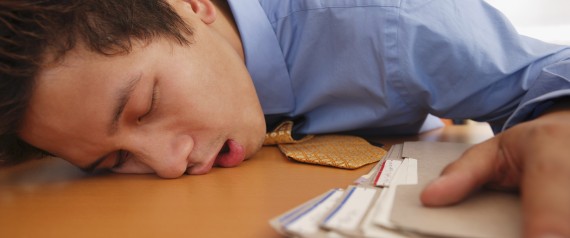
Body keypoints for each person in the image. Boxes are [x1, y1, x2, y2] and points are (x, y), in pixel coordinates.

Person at [1, 0, 569, 237]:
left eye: (145, 107)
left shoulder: (389, 23)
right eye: (114, 159)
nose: (168, 165)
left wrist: (560, 119)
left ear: (193, 7)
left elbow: (542, 69)